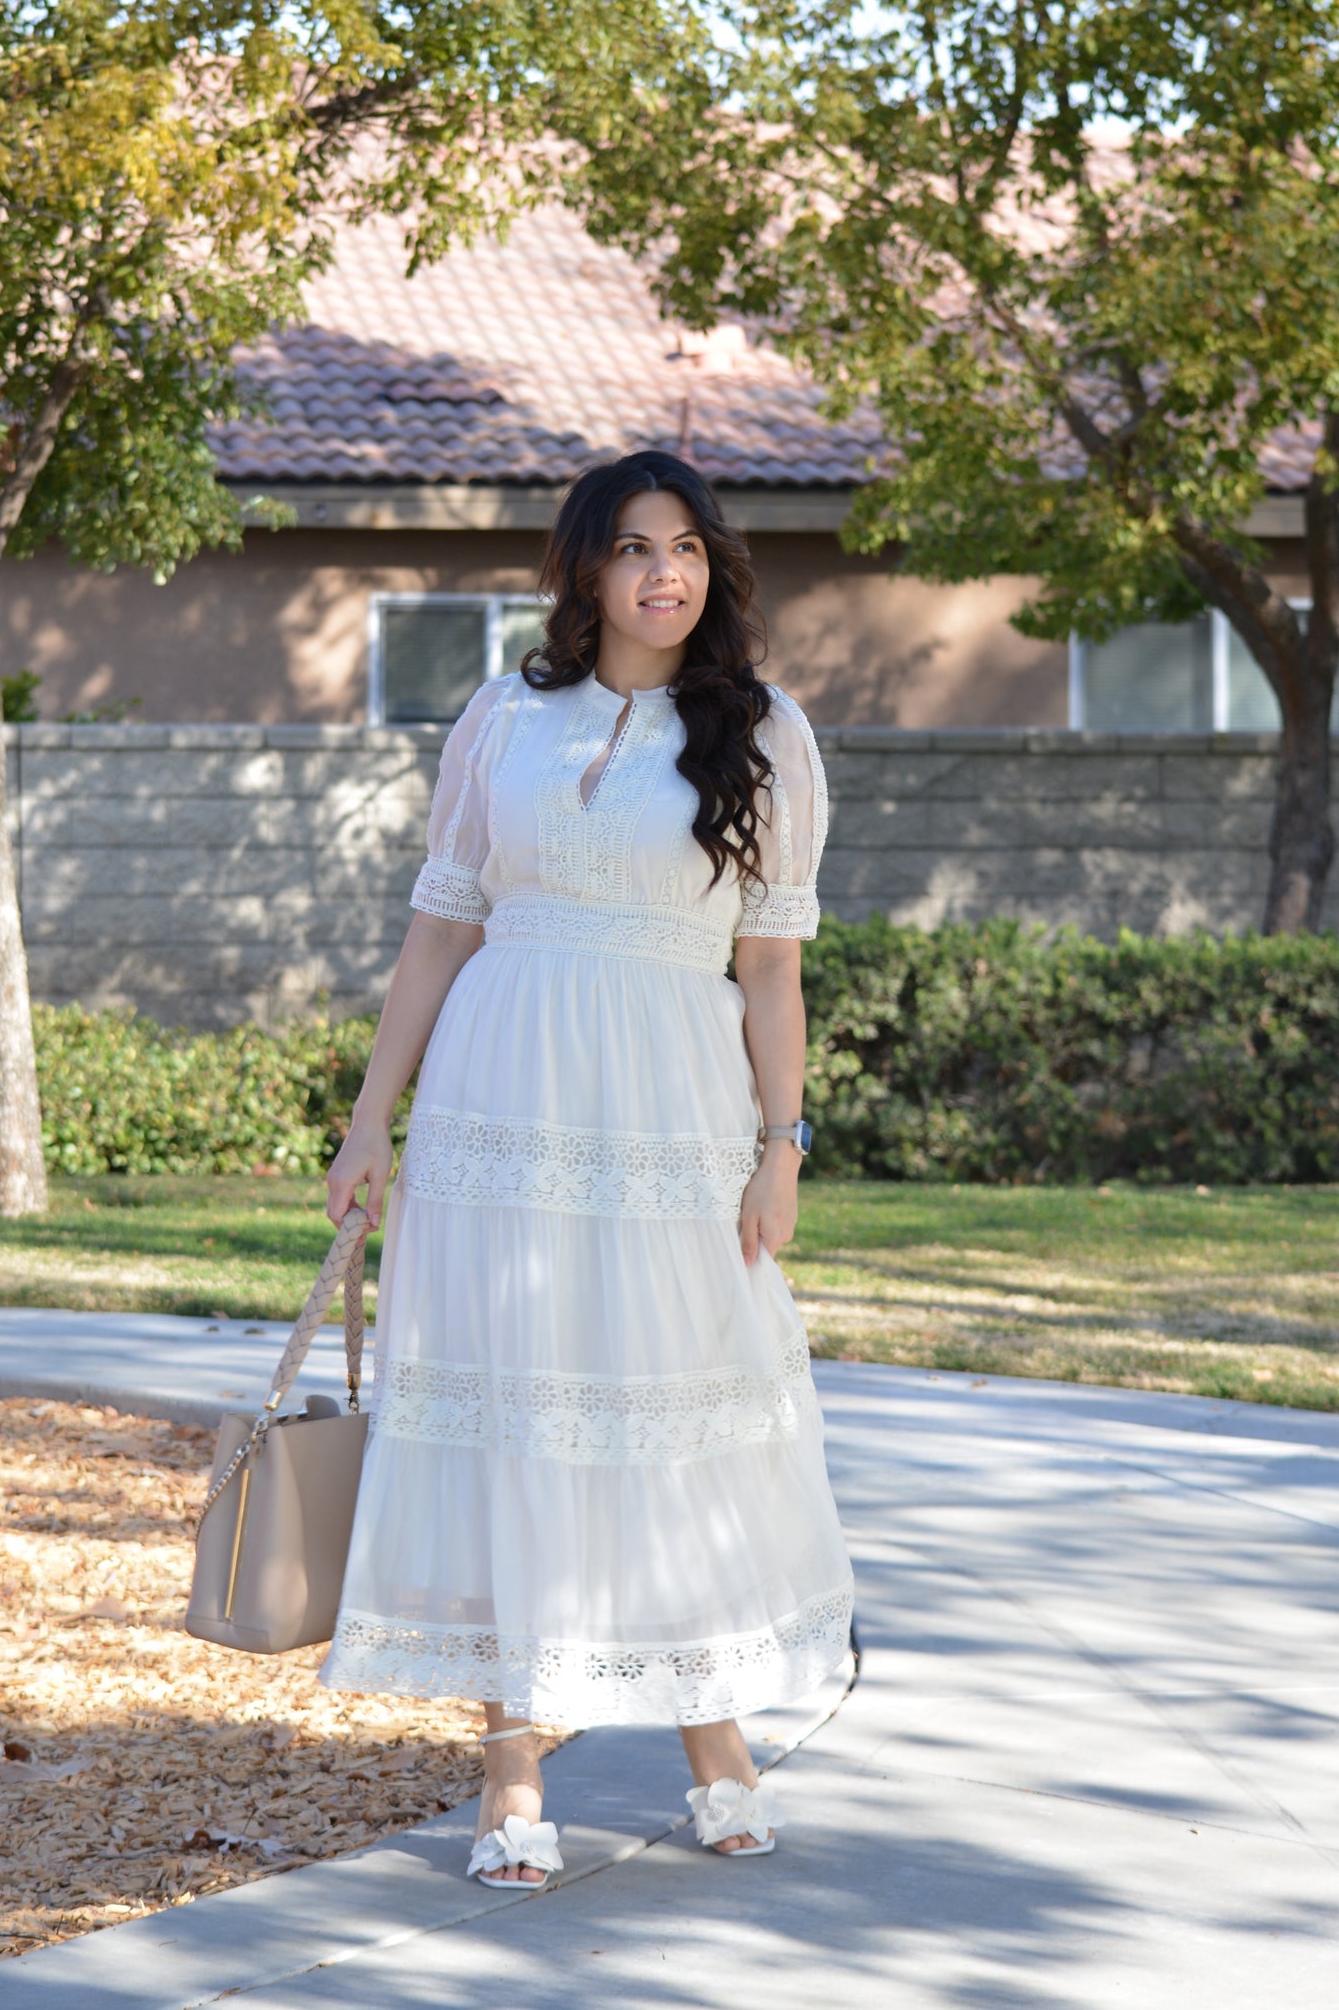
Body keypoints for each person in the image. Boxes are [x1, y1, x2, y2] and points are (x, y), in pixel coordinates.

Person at [322, 450, 854, 1886]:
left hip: (674, 1115)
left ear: (714, 568)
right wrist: (372, 1121)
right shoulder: (504, 715)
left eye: (686, 547)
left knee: (668, 1403)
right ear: (585, 569)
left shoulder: (764, 733)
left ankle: (713, 1738)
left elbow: (772, 972)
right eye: (632, 548)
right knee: (512, 1404)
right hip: (501, 1106)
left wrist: (781, 1145)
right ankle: (509, 1770)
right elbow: (441, 926)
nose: (662, 573)